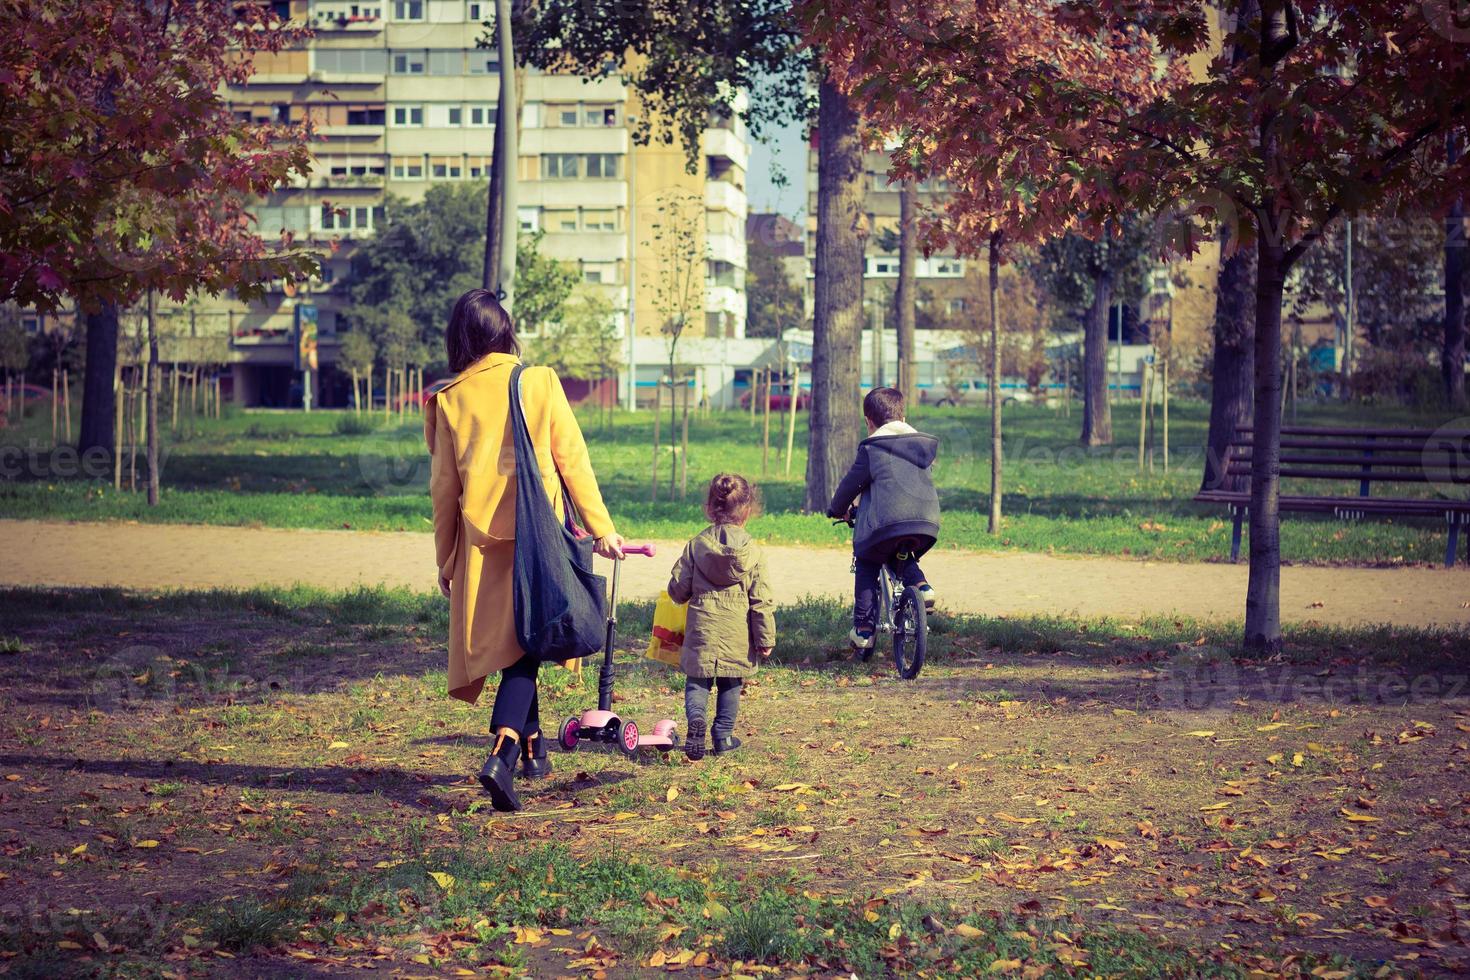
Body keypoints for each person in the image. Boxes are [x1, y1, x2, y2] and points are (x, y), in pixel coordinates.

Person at [425, 288, 624, 812]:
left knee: (517, 641)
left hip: (480, 543)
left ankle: (535, 750)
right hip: (538, 537)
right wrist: (600, 528)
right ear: (506, 332)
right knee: (528, 645)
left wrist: (446, 557)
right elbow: (571, 460)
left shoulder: (449, 398)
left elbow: (445, 488)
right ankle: (505, 748)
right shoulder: (537, 382)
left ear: (461, 338)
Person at [666, 473, 776, 760]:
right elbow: (761, 600)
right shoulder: (753, 551)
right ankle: (723, 735)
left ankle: (696, 721)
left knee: (697, 680)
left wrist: (674, 589)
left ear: (710, 508)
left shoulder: (696, 545)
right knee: (730, 681)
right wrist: (765, 638)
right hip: (735, 630)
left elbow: (679, 590)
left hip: (702, 628)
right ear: (747, 511)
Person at [826, 387, 941, 651]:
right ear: (903, 415)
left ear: (869, 421)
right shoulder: (922, 447)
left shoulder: (872, 448)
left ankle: (864, 629)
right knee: (898, 551)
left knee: (868, 558)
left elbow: (850, 485)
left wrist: (837, 508)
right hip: (926, 521)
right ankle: (922, 587)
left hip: (888, 522)